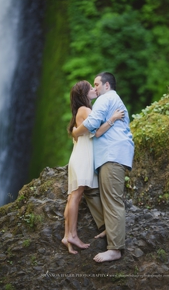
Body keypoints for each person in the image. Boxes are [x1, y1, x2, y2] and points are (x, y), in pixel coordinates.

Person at [72, 72, 134, 263]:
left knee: (113, 199)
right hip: (107, 155)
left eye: (97, 84)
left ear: (107, 86)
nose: (95, 87)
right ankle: (109, 226)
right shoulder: (111, 100)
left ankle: (115, 248)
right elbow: (98, 130)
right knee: (92, 192)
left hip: (112, 154)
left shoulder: (105, 98)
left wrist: (75, 132)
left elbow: (91, 124)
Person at [64, 81, 123, 254]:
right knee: (76, 195)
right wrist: (112, 119)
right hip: (82, 158)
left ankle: (68, 234)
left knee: (73, 195)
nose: (93, 89)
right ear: (84, 94)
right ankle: (72, 235)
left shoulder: (80, 112)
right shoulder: (86, 110)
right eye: (90, 88)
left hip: (79, 157)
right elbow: (96, 131)